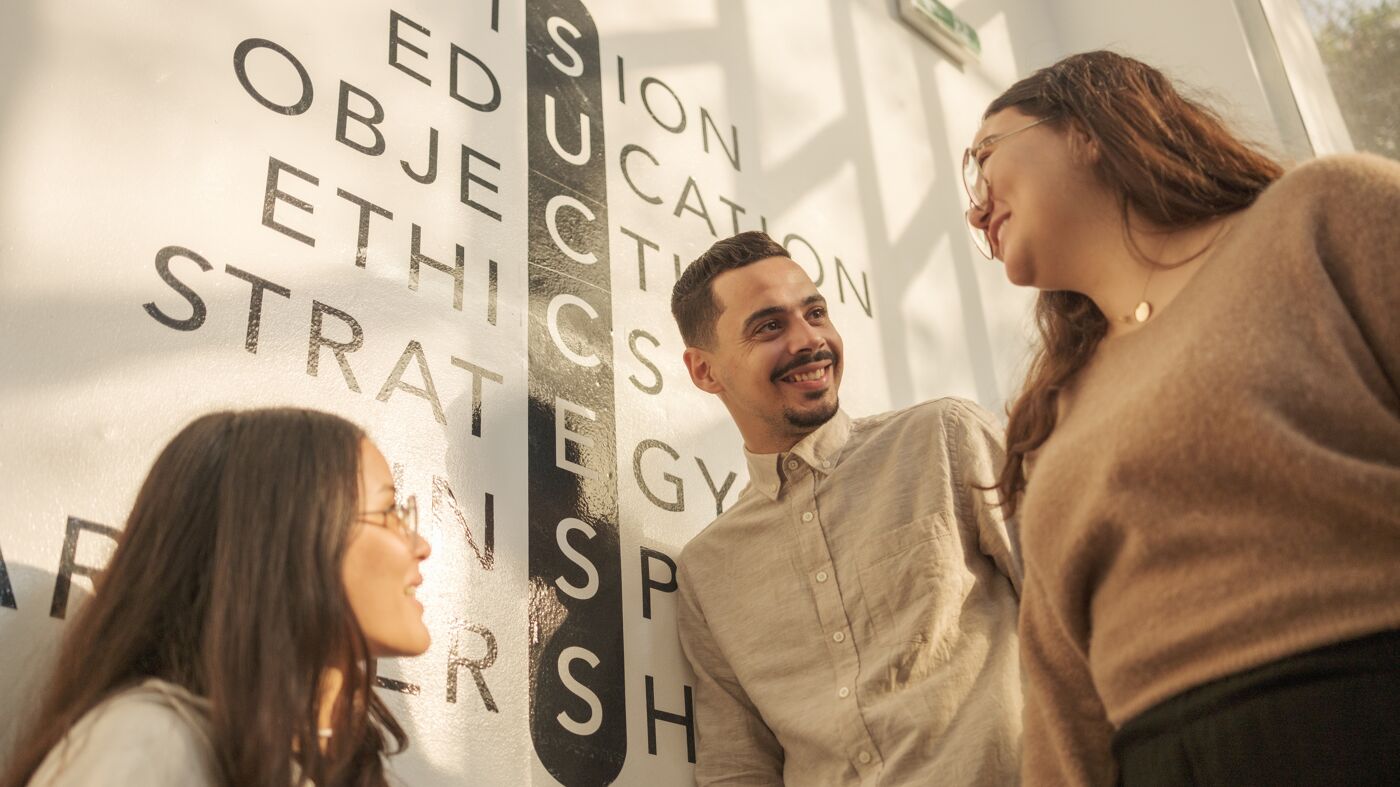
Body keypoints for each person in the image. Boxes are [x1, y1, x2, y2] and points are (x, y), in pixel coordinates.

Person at [963, 50, 1400, 785]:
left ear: (1087, 128)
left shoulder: (1323, 213)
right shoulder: (1056, 412)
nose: (976, 208)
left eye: (986, 157)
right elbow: (1063, 688)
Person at [670, 231, 1022, 785]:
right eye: (769, 326)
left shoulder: (943, 438)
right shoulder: (707, 569)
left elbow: (1076, 606)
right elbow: (738, 766)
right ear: (705, 371)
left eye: (815, 313)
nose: (809, 340)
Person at [1, 408, 433, 787]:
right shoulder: (150, 743)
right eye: (390, 512)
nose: (421, 545)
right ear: (282, 543)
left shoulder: (338, 767)